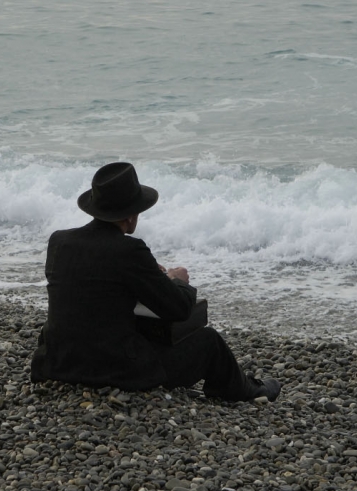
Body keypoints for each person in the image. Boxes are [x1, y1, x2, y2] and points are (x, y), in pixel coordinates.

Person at [30, 162, 281, 402]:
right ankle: (246, 390)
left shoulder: (59, 241)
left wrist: (147, 275)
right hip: (114, 371)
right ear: (130, 217)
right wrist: (177, 281)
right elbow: (178, 309)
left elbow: (96, 288)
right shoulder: (129, 251)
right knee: (209, 341)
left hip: (56, 363)